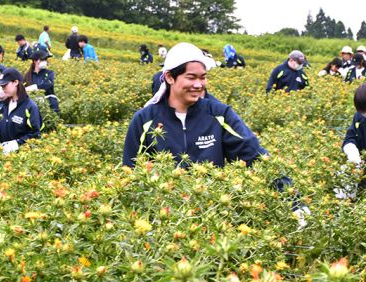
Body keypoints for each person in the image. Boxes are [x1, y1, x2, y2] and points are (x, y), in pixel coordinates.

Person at [125, 42, 311, 228]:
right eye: (191, 77)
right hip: (161, 223)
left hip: (211, 218)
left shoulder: (219, 114)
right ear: (170, 77)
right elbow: (131, 171)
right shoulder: (145, 119)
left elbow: (255, 155)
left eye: (203, 77)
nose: (198, 85)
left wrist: (294, 201)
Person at [0, 68, 43, 154]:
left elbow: (35, 134)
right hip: (5, 156)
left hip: (22, 158)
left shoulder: (30, 107)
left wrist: (16, 144)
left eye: (5, 85)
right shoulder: (4, 106)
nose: (2, 88)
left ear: (15, 82)